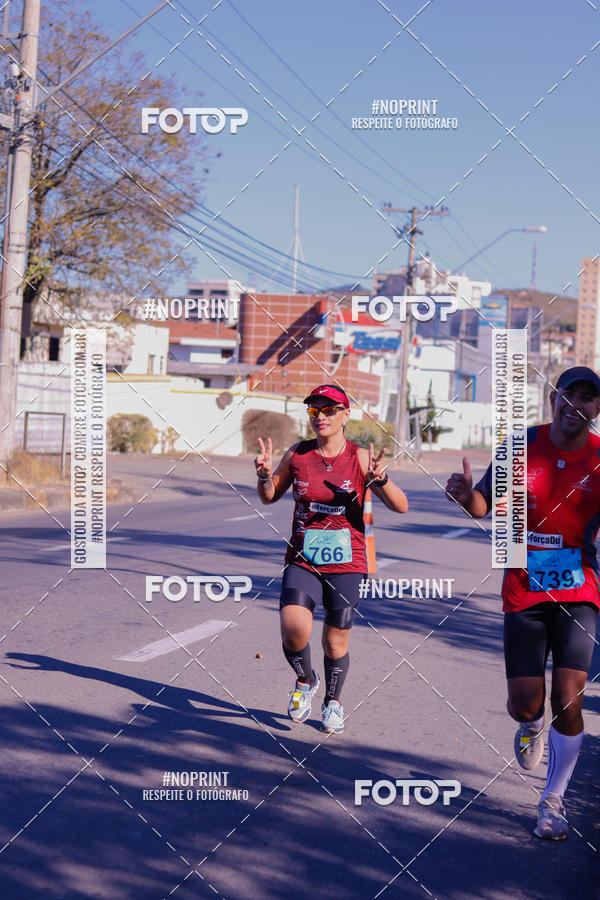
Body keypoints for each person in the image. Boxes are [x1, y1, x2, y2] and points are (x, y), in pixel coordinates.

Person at [445, 366, 600, 840]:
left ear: (597, 409)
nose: (576, 404)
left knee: (569, 696)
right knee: (525, 702)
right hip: (525, 590)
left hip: (580, 589)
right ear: (553, 397)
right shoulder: (520, 446)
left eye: (588, 399)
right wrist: (462, 496)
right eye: (568, 394)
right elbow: (482, 504)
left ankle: (553, 800)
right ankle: (531, 725)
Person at [254, 384, 408, 733]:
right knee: (294, 631)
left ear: (345, 414)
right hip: (303, 558)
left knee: (334, 641)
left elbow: (401, 506)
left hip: (348, 564)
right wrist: (264, 475)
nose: (321, 417)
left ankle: (333, 702)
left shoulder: (361, 458)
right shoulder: (298, 455)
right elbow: (268, 497)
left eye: (329, 410)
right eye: (314, 411)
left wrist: (380, 481)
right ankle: (306, 680)